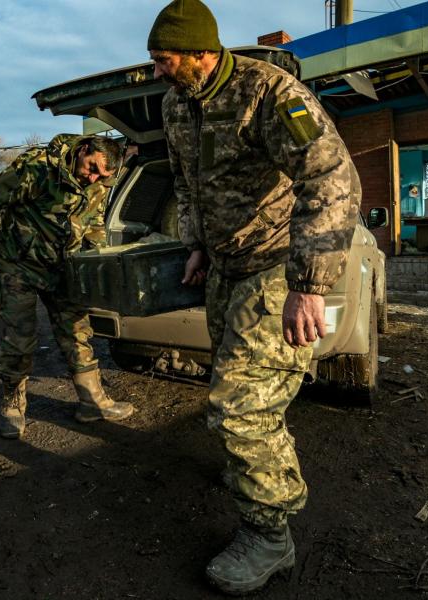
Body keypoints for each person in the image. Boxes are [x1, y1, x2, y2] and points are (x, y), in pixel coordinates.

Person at [147, 0, 362, 595]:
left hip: (276, 262)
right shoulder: (174, 104)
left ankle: (270, 537)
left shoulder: (267, 92)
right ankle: (255, 470)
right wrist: (195, 244)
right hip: (225, 266)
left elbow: (332, 178)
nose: (157, 72)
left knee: (240, 406)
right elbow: (186, 183)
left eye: (164, 60)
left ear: (200, 52)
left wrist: (309, 285)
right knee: (243, 390)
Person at [0, 134, 135, 439]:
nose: (94, 178)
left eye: (103, 175)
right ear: (84, 150)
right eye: (92, 168)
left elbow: (95, 222)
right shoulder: (38, 168)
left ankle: (92, 402)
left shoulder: (99, 182)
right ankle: (12, 405)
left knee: (77, 331)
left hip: (63, 268)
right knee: (19, 337)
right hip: (19, 264)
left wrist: (93, 263)